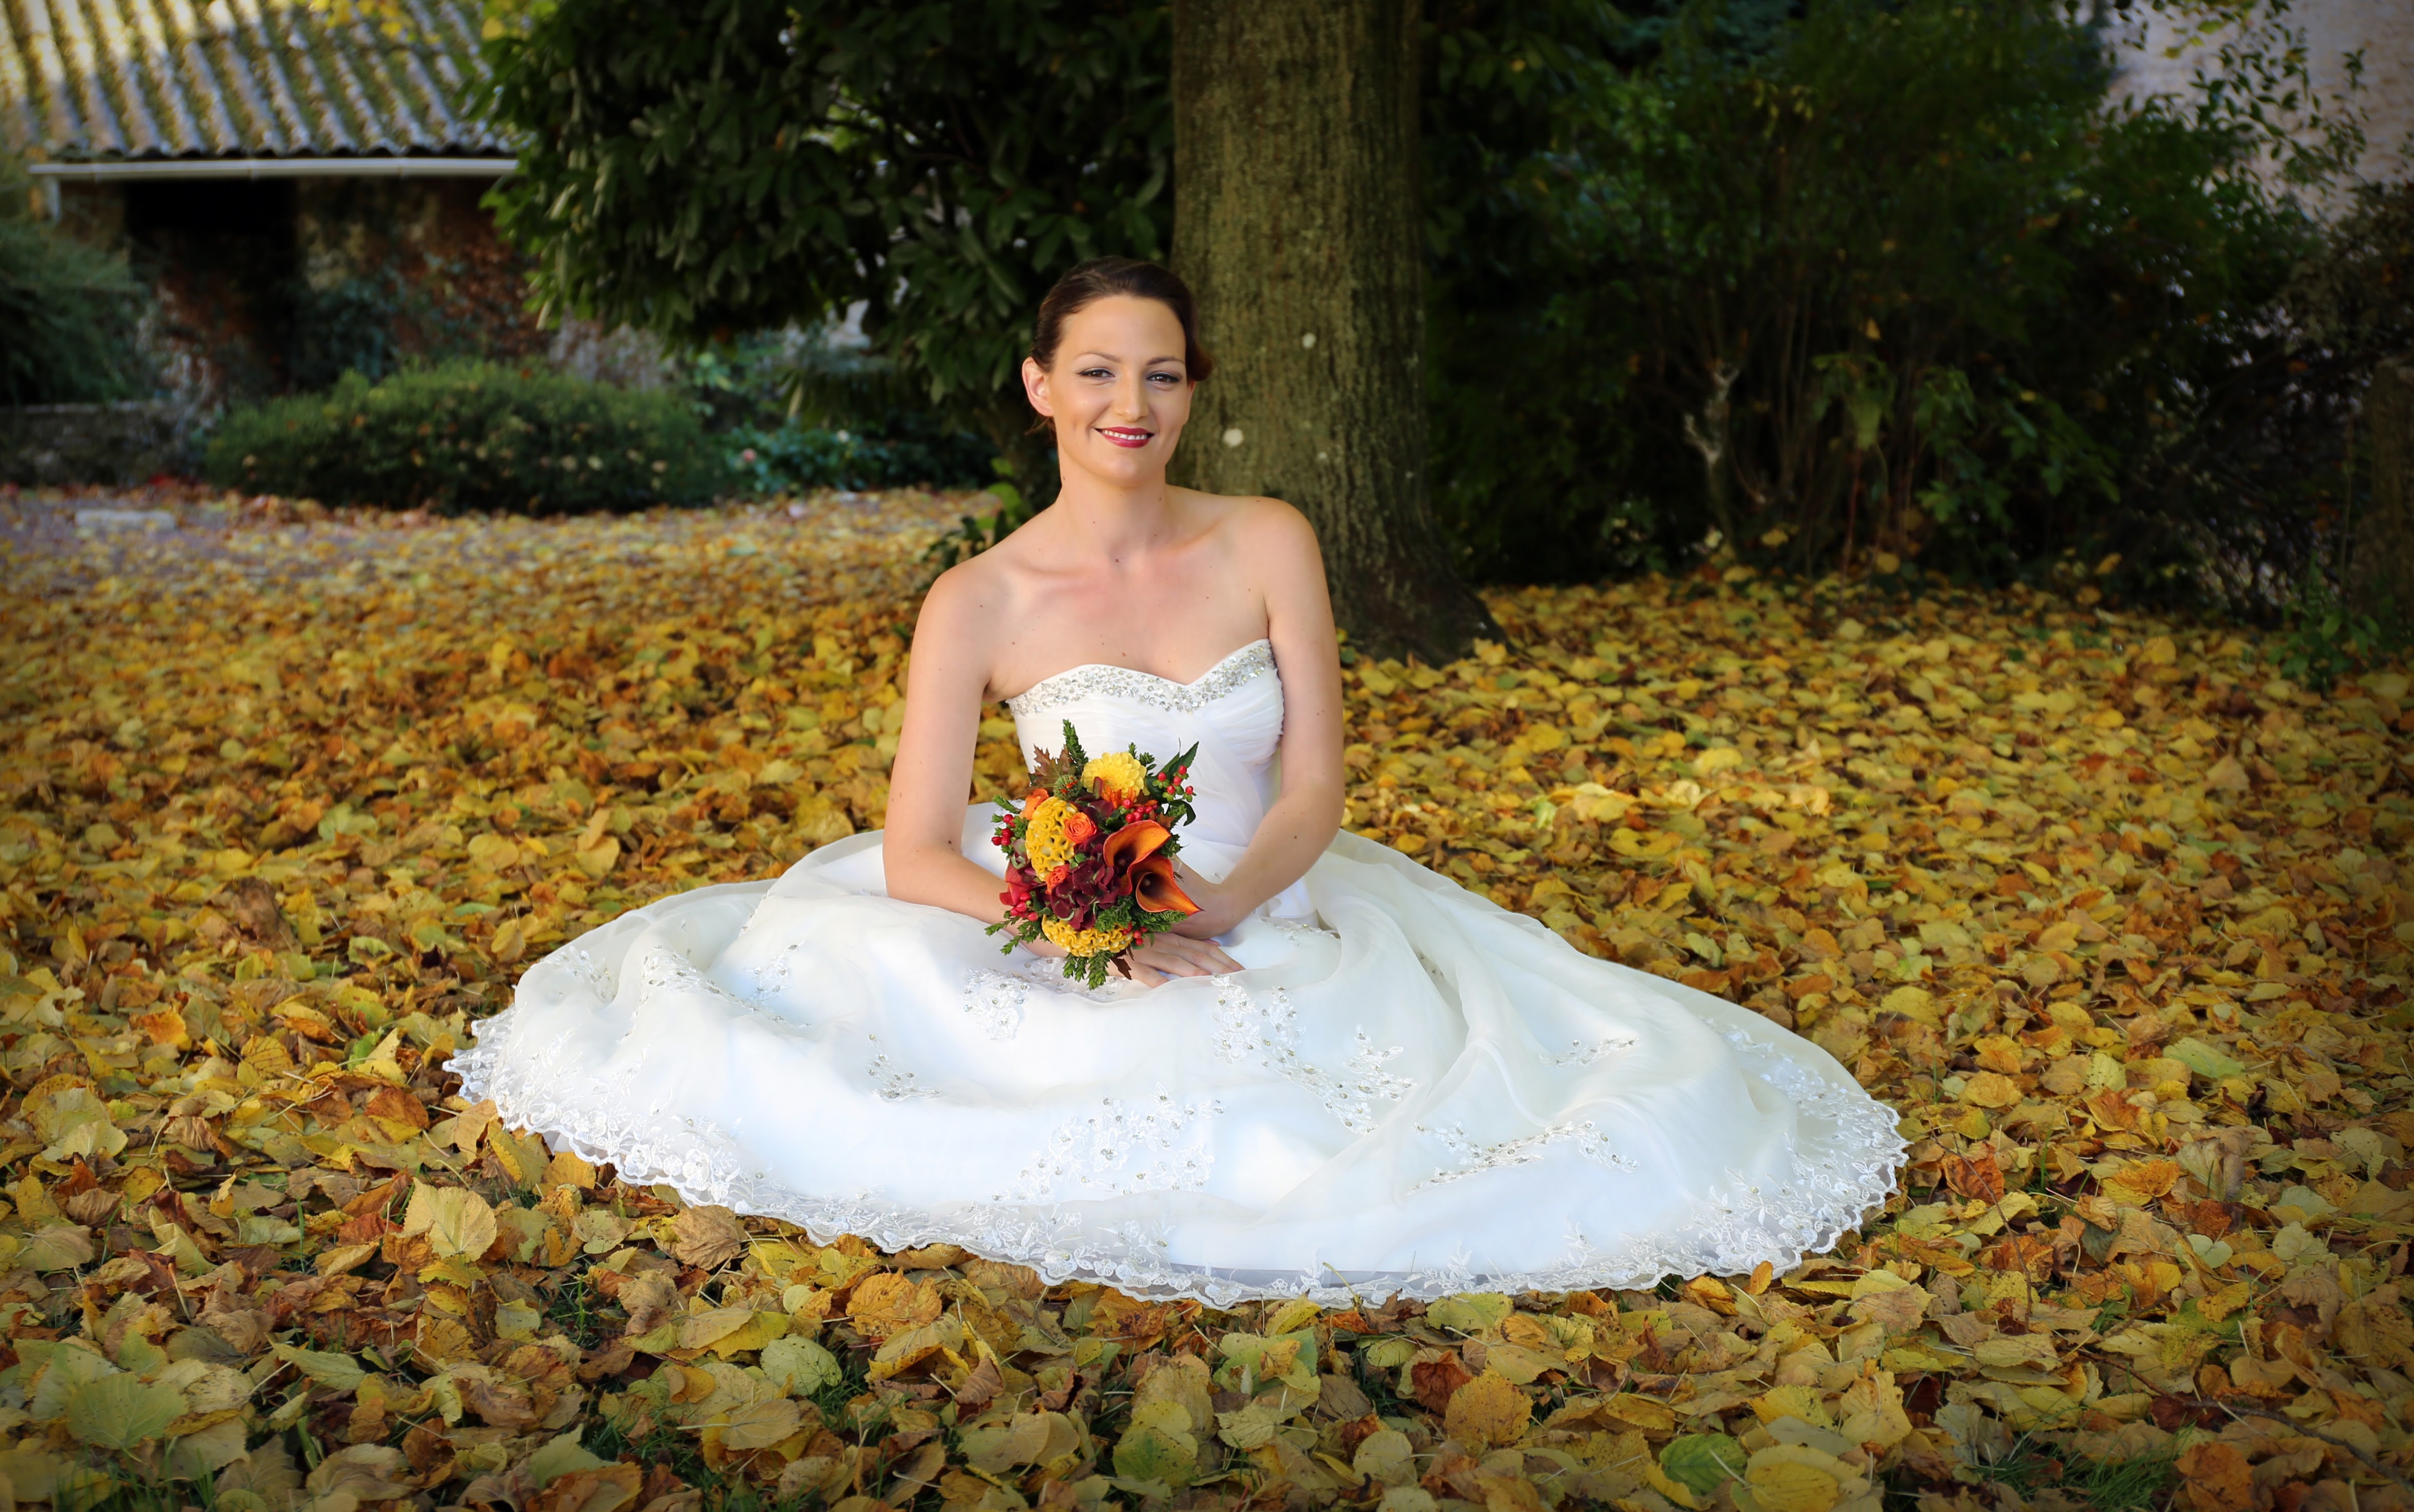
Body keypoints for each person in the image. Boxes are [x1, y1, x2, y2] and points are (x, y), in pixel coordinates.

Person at [455, 257, 1904, 1305]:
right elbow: (911, 854)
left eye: (1158, 371)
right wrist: (1091, 924)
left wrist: (1220, 903)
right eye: (1095, 370)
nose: (1126, 401)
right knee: (1057, 1060)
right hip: (1055, 905)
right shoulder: (978, 598)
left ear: (1192, 387)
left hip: (1260, 882)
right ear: (1040, 387)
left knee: (1414, 1075)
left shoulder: (1269, 536)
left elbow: (1320, 780)